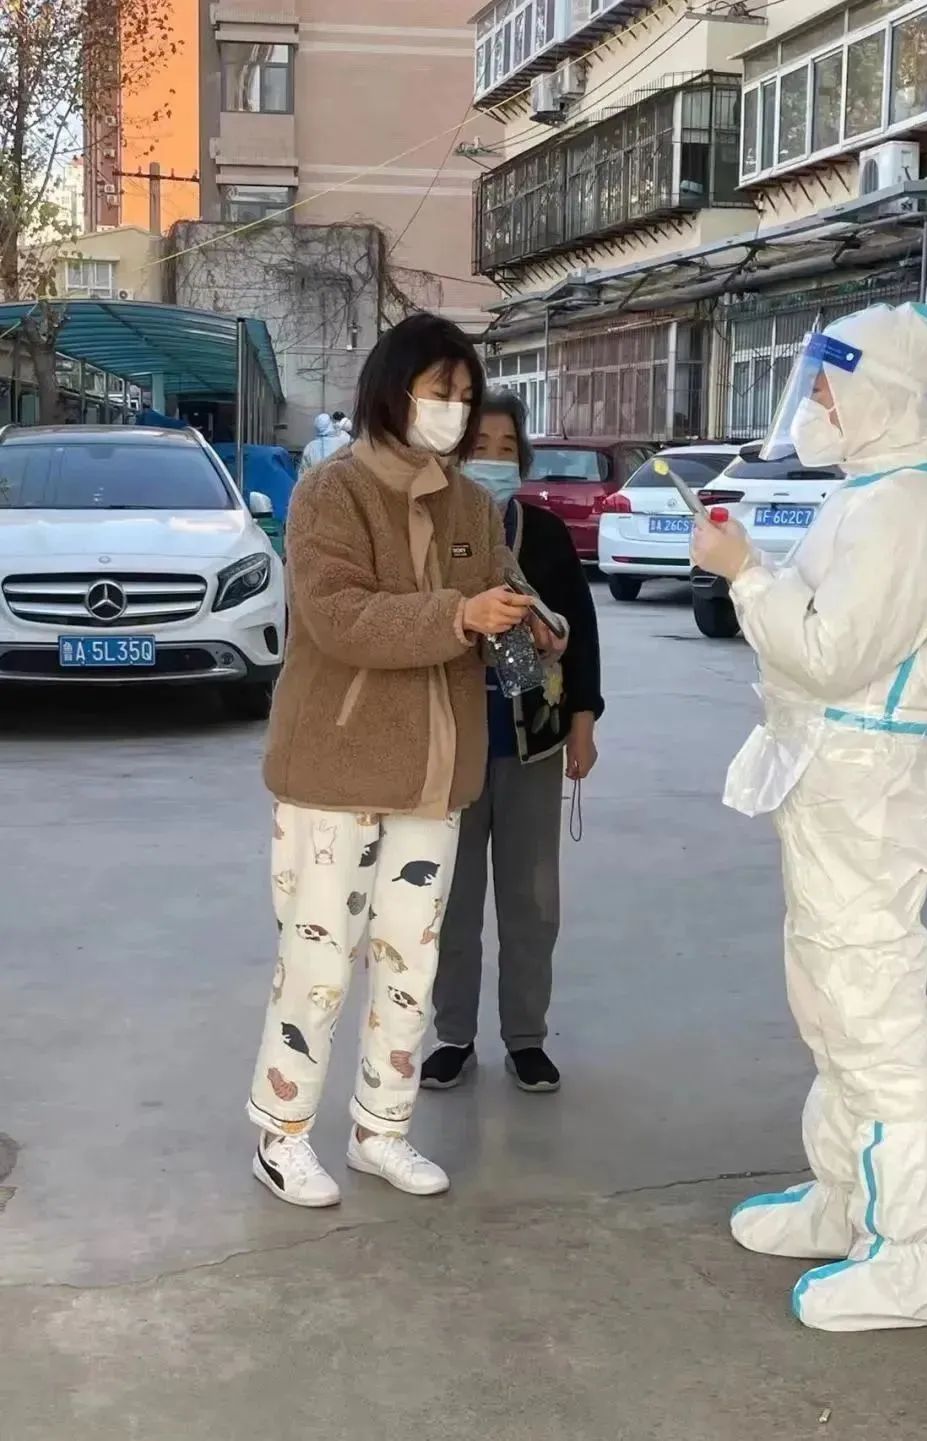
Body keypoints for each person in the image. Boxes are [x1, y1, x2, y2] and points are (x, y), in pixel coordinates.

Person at [691, 302, 927, 1332]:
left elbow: (828, 652)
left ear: (877, 394)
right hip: (839, 782)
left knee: (871, 1010)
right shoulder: (871, 494)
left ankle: (911, 1253)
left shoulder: (909, 506)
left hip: (872, 790)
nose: (814, 404)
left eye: (828, 386)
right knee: (829, 998)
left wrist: (745, 574)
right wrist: (757, 571)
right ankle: (847, 1197)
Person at [248, 314, 538, 1208]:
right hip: (335, 771)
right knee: (320, 963)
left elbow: (507, 589)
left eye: (465, 395)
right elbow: (339, 616)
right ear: (393, 388)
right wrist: (457, 615)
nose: (454, 410)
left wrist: (534, 621)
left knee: (410, 966)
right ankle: (282, 1133)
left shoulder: (473, 505)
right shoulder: (330, 492)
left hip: (433, 775)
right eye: (440, 392)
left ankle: (382, 1128)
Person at [421, 391, 603, 1095]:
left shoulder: (545, 534)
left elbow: (580, 632)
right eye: (480, 448)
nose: (493, 460)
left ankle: (526, 1037)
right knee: (453, 900)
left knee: (531, 901)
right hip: (453, 743)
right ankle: (453, 1036)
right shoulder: (433, 532)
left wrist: (583, 722)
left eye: (506, 448)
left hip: (533, 742)